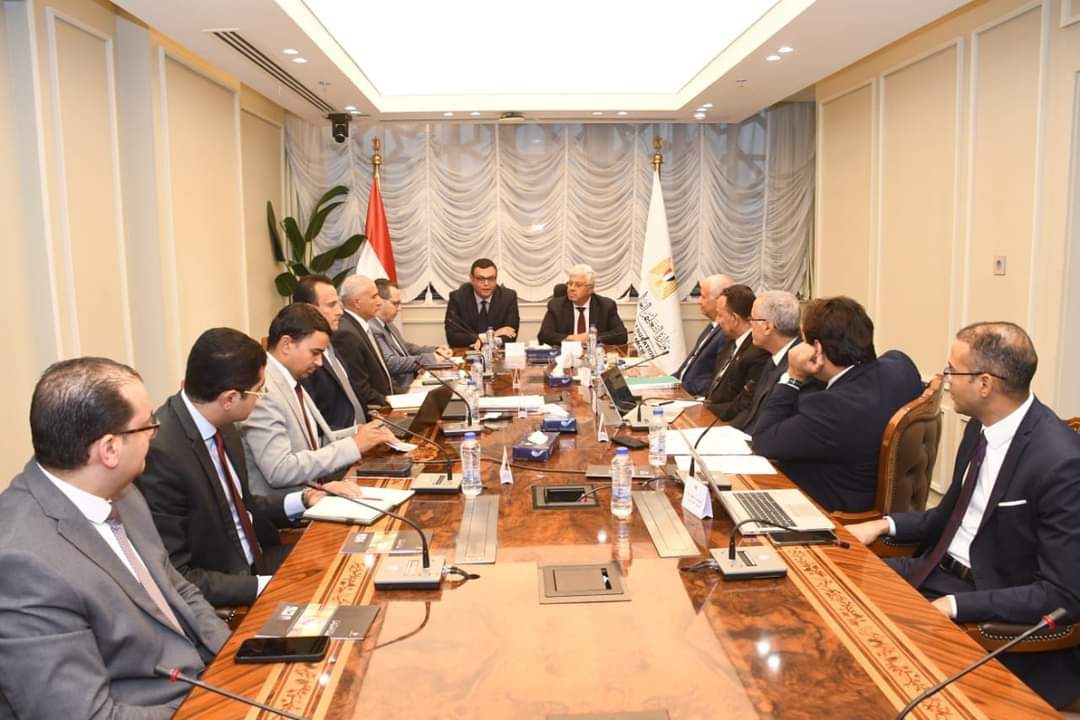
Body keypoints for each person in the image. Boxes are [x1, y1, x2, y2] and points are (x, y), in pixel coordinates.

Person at [847, 322, 1080, 709]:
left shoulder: (1061, 461)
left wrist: (953, 606)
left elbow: (1061, 594)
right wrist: (883, 524)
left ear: (984, 384)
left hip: (994, 609)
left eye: (952, 370)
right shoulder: (979, 429)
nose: (944, 379)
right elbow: (949, 516)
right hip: (935, 572)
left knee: (882, 675)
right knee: (838, 589)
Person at [0, 357, 230, 718]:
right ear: (109, 449)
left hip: (211, 683)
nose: (155, 433)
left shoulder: (123, 492)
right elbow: (85, 715)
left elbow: (177, 588)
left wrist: (233, 660)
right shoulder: (22, 562)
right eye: (147, 425)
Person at [137, 328, 365, 608]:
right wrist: (267, 586)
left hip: (263, 558)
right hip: (231, 590)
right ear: (230, 399)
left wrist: (306, 499)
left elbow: (240, 505)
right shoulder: (162, 453)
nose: (262, 397)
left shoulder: (221, 422)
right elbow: (178, 576)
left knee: (355, 562)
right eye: (259, 390)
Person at [752, 296, 923, 512]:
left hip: (828, 509)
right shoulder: (900, 365)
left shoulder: (832, 408)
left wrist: (793, 375)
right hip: (881, 501)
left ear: (817, 349)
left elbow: (763, 441)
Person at [240, 303, 396, 496]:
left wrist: (359, 433)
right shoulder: (263, 390)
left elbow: (313, 443)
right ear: (286, 345)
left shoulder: (290, 379)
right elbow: (279, 470)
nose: (320, 362)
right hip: (289, 507)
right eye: (315, 353)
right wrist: (354, 445)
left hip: (318, 490)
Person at [293, 275, 366, 429]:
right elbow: (316, 427)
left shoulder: (331, 344)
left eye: (338, 304)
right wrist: (354, 437)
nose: (340, 311)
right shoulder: (303, 359)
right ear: (310, 310)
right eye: (331, 305)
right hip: (342, 440)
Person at [724, 290, 802, 433]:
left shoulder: (799, 365)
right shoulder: (773, 358)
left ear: (767, 327)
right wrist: (725, 432)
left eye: (752, 319)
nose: (750, 325)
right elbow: (753, 411)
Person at [372, 278, 452, 389]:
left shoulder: (388, 324)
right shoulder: (373, 328)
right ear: (379, 302)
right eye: (395, 303)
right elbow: (391, 363)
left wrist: (435, 350)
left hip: (413, 379)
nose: (399, 308)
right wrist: (430, 359)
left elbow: (406, 348)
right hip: (400, 388)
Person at [702, 284, 769, 414]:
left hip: (722, 419)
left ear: (734, 318)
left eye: (720, 315)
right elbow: (715, 385)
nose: (717, 321)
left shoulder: (757, 352)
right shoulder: (730, 343)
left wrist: (705, 410)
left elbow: (744, 405)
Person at [336, 274, 396, 407]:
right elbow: (361, 388)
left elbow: (382, 375)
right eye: (374, 297)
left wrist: (403, 396)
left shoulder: (363, 325)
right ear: (357, 303)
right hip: (376, 411)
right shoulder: (346, 334)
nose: (380, 302)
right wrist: (392, 403)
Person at [537, 263, 628, 346]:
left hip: (594, 355)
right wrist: (571, 338)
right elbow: (544, 335)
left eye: (578, 285)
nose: (571, 288)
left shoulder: (606, 306)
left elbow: (621, 335)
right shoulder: (556, 306)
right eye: (570, 284)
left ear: (590, 289)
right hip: (566, 355)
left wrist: (593, 338)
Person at [674, 274, 732, 396]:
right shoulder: (711, 327)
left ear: (720, 300)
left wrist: (680, 386)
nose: (699, 301)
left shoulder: (726, 334)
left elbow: (715, 381)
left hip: (693, 396)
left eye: (703, 296)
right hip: (681, 390)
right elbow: (686, 369)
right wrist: (665, 382)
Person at [444, 258, 520, 349]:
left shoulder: (508, 298)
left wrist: (478, 339)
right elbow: (452, 337)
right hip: (467, 352)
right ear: (471, 279)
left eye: (491, 278)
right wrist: (491, 335)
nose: (486, 283)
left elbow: (511, 335)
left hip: (497, 353)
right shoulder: (458, 298)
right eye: (481, 279)